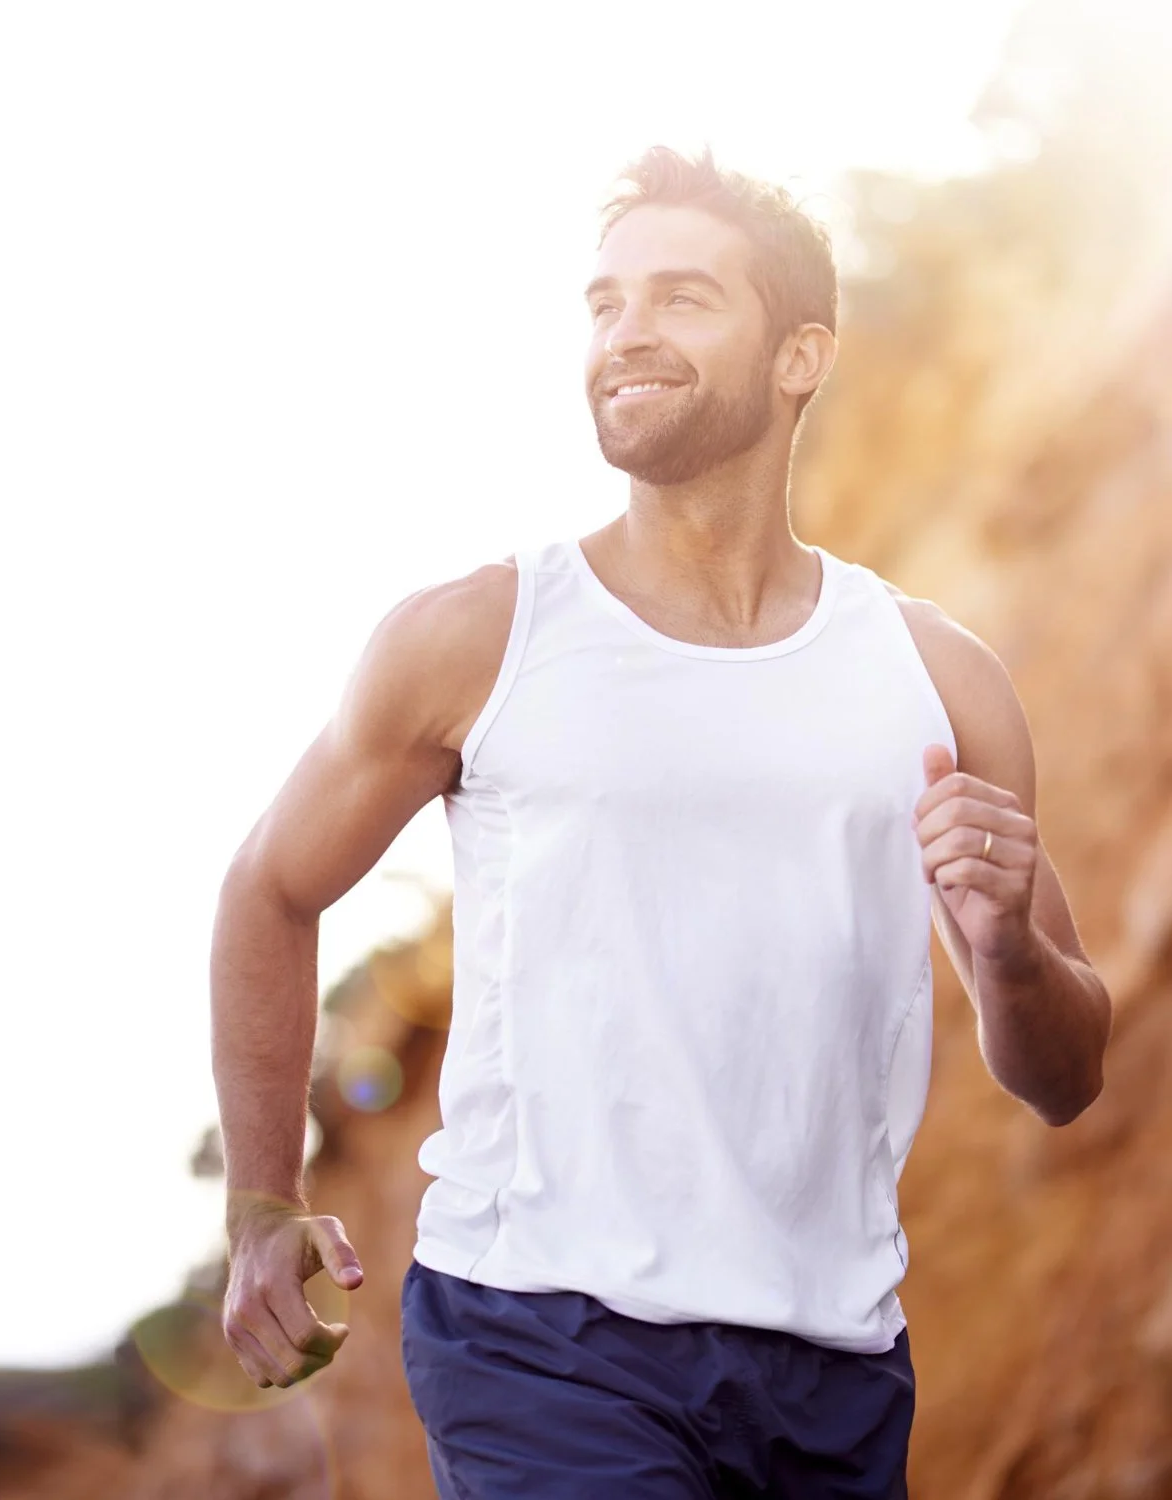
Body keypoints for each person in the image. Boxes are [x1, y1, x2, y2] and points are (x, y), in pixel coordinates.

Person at [210, 146, 1112, 1498]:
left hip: (836, 1366)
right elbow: (270, 889)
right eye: (604, 302)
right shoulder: (480, 638)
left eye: (682, 297)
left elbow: (1066, 1076)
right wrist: (261, 1201)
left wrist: (1010, 954)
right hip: (538, 1335)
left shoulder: (938, 678)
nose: (625, 332)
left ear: (801, 356)